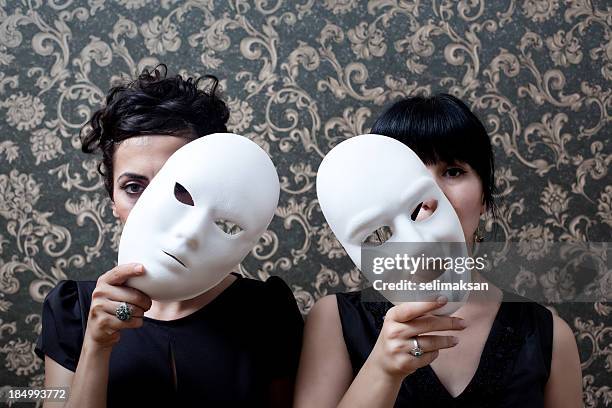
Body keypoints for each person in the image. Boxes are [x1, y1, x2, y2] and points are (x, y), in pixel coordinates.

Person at [35, 64, 303, 408]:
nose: (154, 208)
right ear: (113, 201)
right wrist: (96, 346)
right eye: (133, 188)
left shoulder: (265, 310)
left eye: (177, 189)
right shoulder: (73, 310)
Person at [294, 94, 583, 407]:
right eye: (411, 173)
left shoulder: (551, 337)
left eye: (453, 171)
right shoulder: (334, 320)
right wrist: (382, 370)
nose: (430, 197)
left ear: (485, 196)